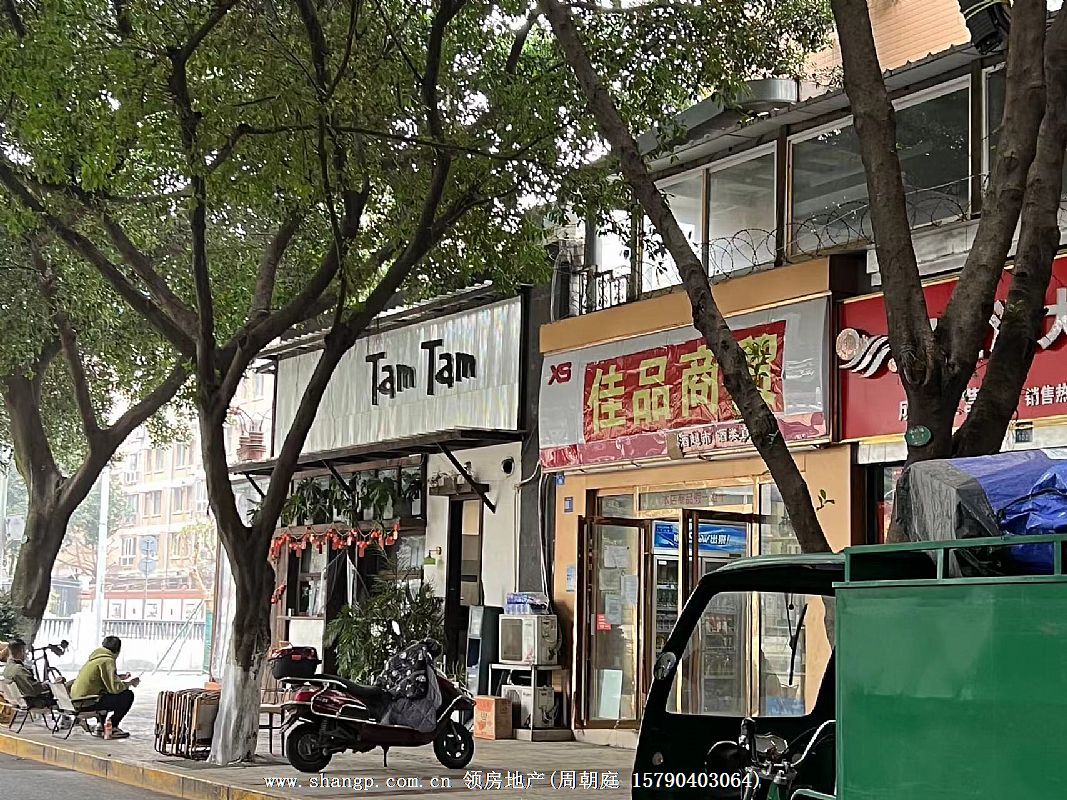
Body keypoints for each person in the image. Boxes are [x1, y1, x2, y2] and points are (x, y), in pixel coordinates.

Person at [71, 636, 140, 738]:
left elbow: (100, 680)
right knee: (127, 695)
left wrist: (119, 677)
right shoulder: (108, 660)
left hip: (75, 702)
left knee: (104, 694)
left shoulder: (94, 659)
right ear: (118, 650)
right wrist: (130, 683)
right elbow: (115, 688)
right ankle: (112, 726)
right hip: (86, 703)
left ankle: (100, 726)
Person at [2, 638, 53, 708]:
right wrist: (47, 685)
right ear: (21, 652)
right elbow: (32, 690)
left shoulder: (6, 669)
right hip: (35, 702)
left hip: (19, 703)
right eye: (25, 651)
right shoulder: (19, 669)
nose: (26, 654)